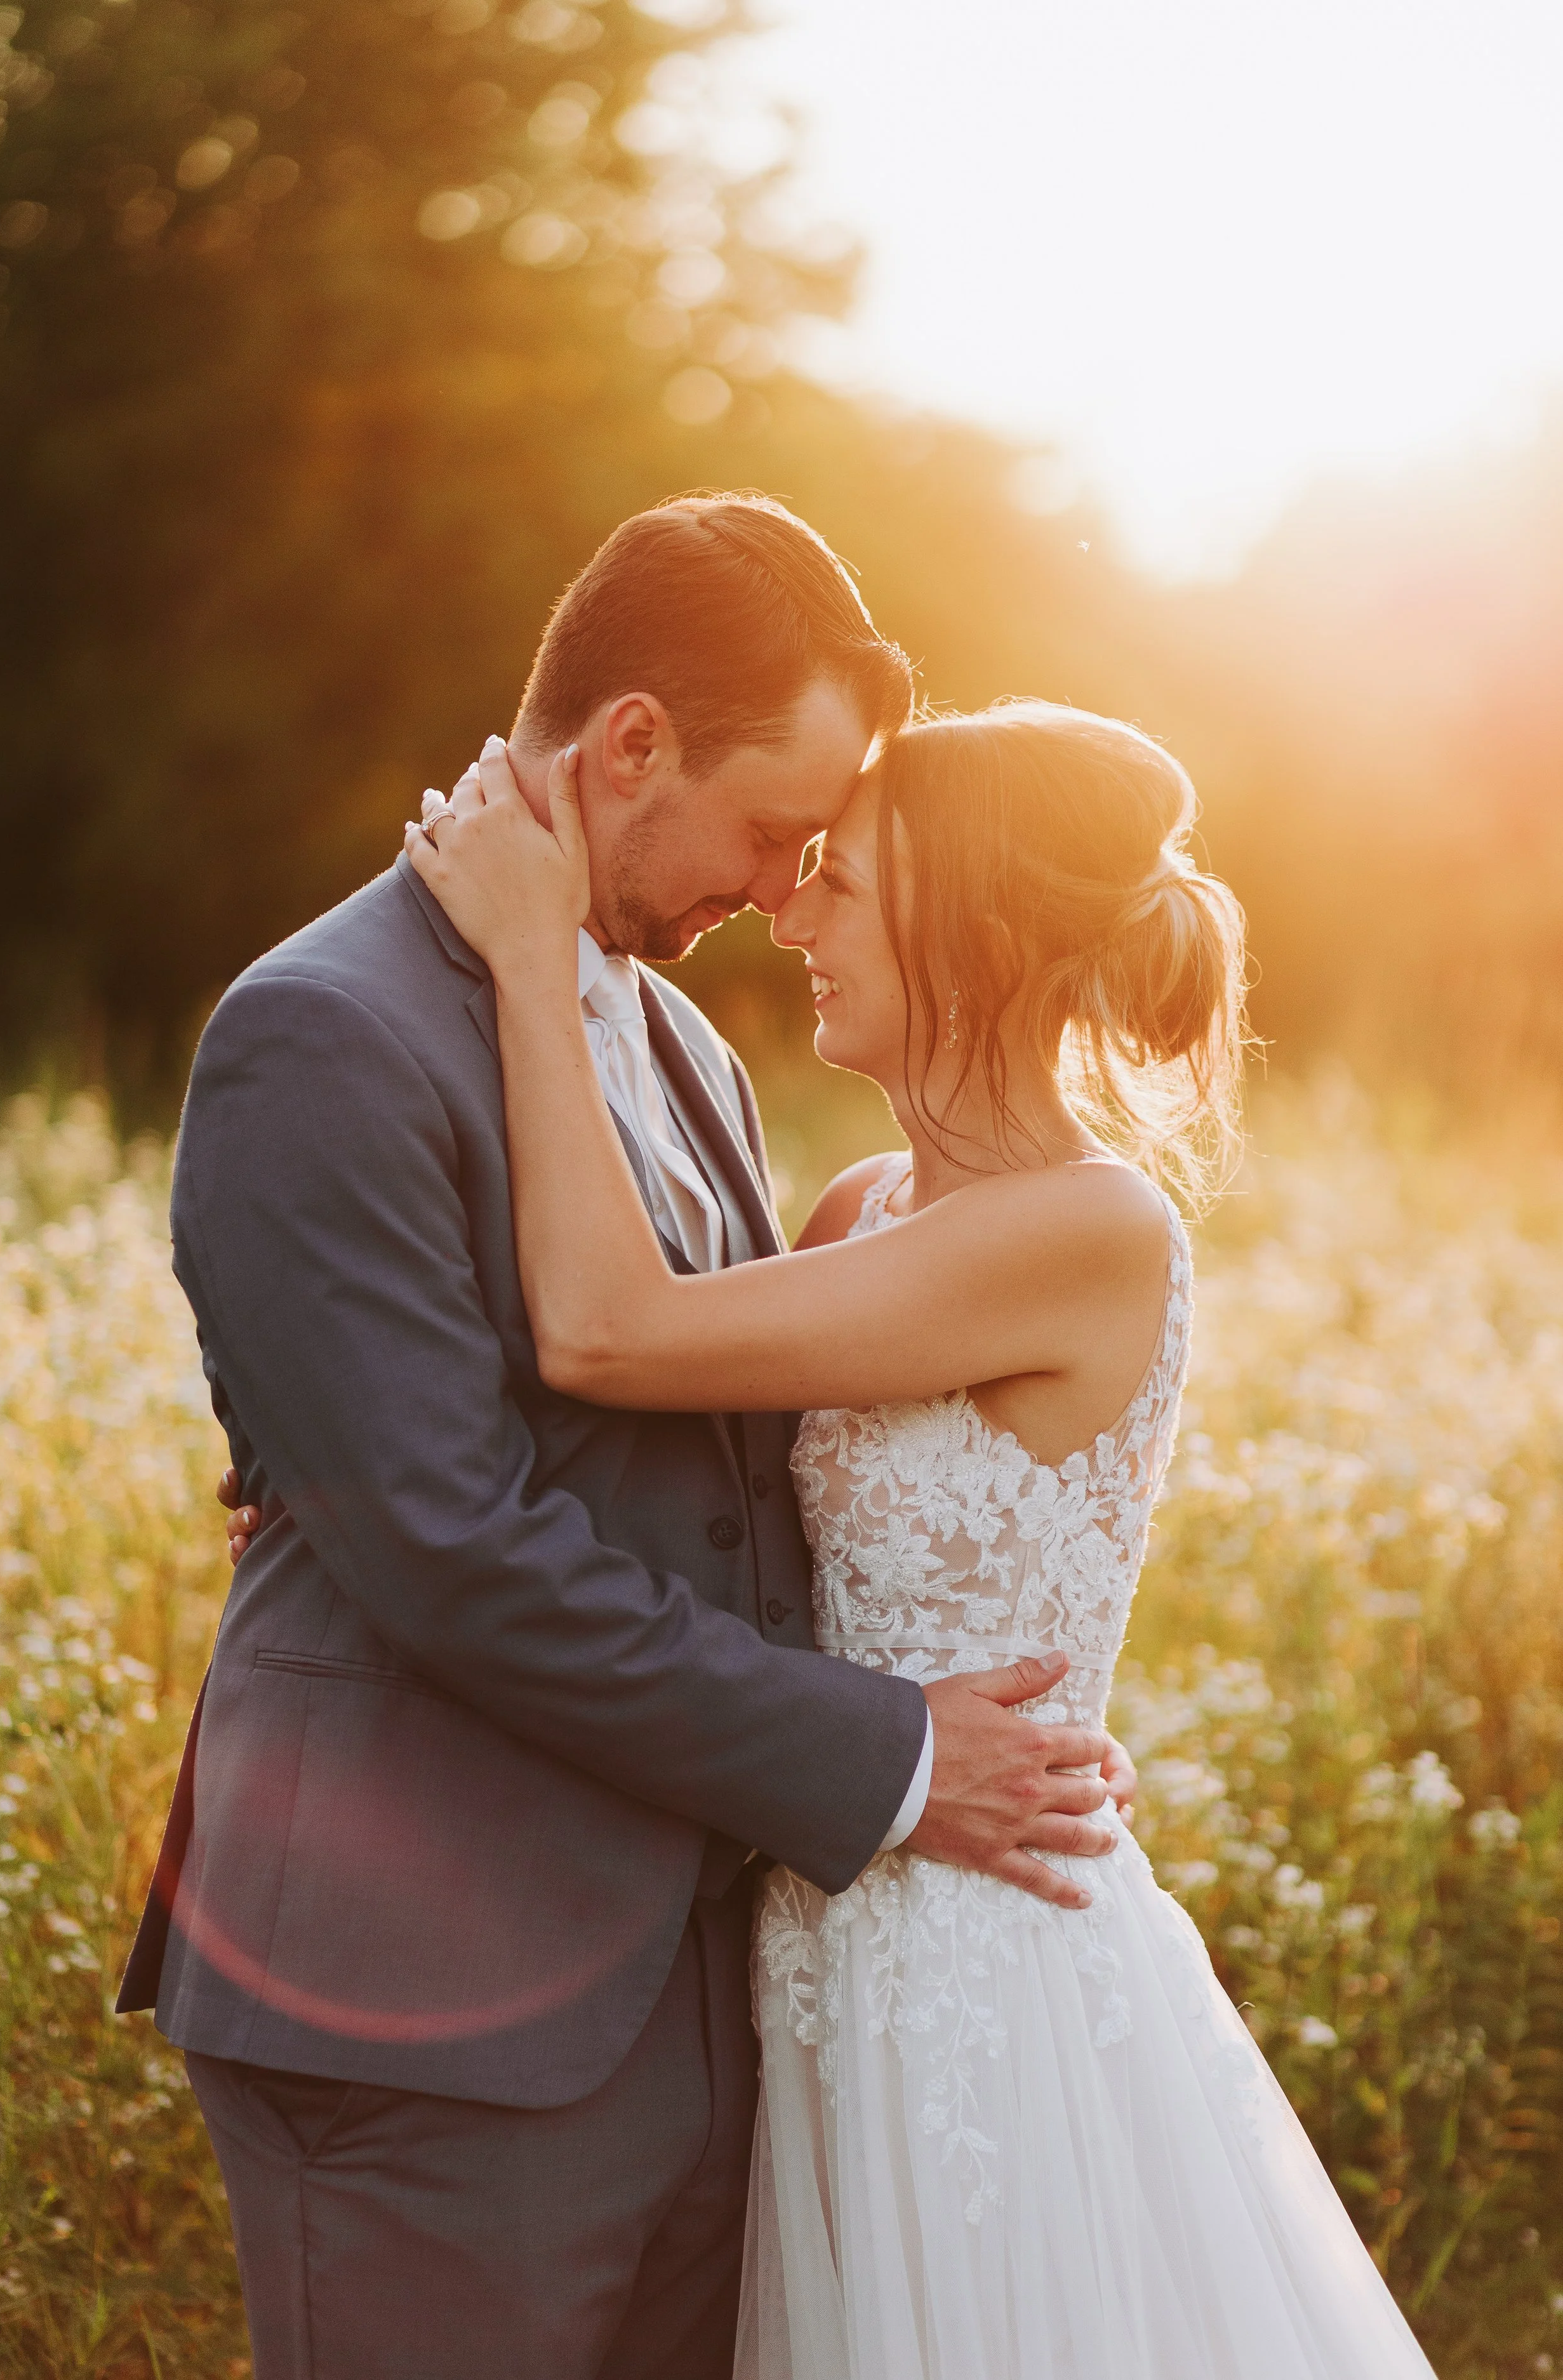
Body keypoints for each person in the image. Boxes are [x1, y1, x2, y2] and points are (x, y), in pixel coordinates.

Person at [121, 494, 1133, 2380]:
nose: (776, 885)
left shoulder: (686, 1052)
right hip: (424, 2006)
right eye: (767, 826)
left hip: (702, 1995)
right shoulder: (318, 1032)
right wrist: (892, 1754)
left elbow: (726, 1475)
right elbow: (448, 1544)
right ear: (633, 744)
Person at [401, 701, 1441, 2379]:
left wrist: (529, 956)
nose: (790, 915)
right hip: (818, 1936)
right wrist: (347, 1458)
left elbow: (605, 1328)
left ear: (972, 921)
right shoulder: (859, 1213)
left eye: (844, 880)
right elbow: (656, 1461)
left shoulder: (1090, 1229)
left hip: (984, 1959)